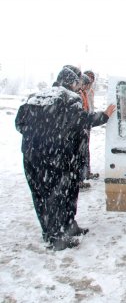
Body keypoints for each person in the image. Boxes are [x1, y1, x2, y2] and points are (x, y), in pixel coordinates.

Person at [15, 65, 116, 251]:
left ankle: (62, 228)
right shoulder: (69, 98)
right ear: (70, 83)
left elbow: (19, 124)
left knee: (41, 195)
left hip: (31, 157)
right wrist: (105, 116)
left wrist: (38, 137)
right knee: (58, 195)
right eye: (77, 84)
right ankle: (57, 237)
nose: (79, 88)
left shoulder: (36, 97)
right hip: (55, 156)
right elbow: (82, 120)